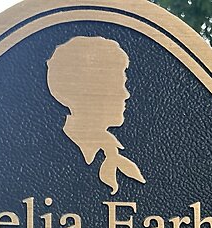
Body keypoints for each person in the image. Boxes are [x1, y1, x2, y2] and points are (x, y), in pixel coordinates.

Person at [46, 36, 145, 194]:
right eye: (118, 85)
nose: (125, 94)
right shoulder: (48, 156)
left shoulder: (112, 149)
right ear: (87, 91)